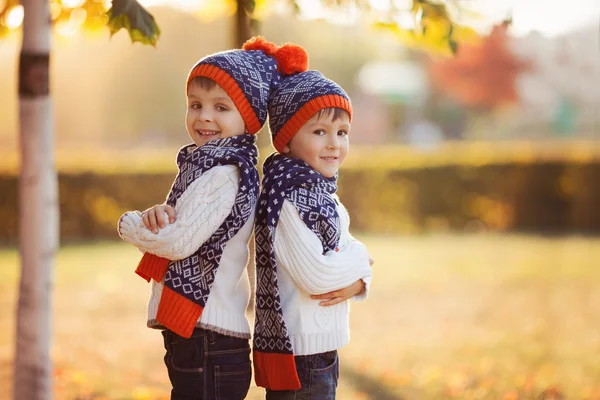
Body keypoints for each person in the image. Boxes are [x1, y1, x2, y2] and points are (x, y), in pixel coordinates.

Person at [117, 36, 284, 400]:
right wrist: (156, 217)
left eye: (221, 107)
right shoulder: (203, 168)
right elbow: (180, 224)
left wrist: (130, 224)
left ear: (248, 118)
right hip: (198, 335)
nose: (204, 115)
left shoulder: (224, 174)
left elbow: (178, 241)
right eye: (196, 104)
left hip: (209, 339)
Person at [253, 68, 374, 399]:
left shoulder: (321, 191)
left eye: (342, 132)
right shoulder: (288, 197)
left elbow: (343, 253)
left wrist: (358, 280)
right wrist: (363, 261)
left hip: (322, 350)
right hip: (301, 356)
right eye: (320, 131)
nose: (334, 143)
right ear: (288, 140)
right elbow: (318, 276)